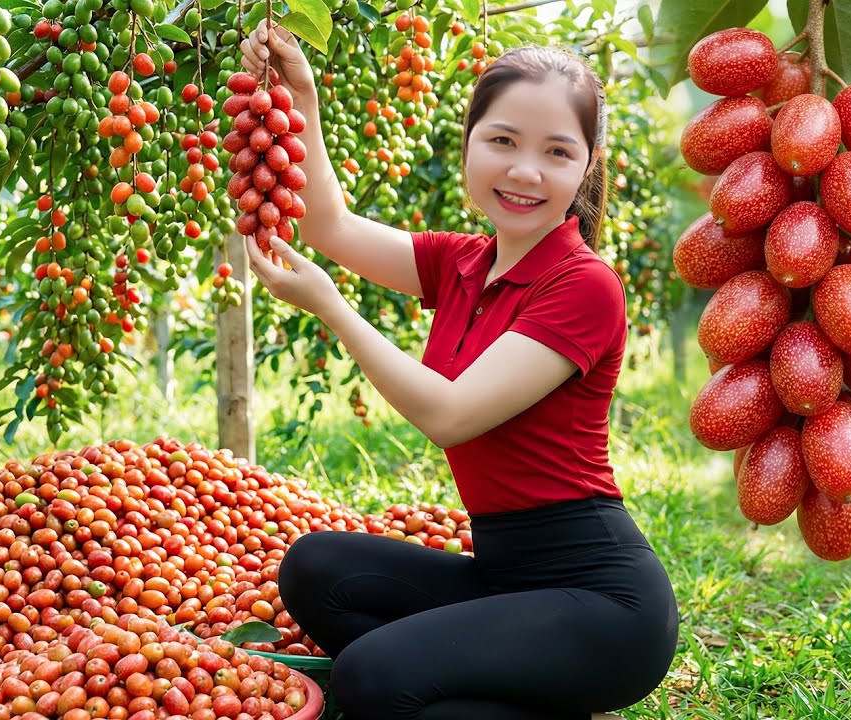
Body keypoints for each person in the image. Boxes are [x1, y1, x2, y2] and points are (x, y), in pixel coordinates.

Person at [238, 20, 679, 720]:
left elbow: (450, 414)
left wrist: (333, 308)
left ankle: (524, 687)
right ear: (469, 141)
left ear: (586, 166)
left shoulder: (584, 285)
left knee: (367, 681)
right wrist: (304, 102)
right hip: (506, 578)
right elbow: (330, 228)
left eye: (556, 152)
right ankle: (525, 693)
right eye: (502, 141)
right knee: (315, 568)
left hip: (604, 605)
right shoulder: (464, 261)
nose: (524, 171)